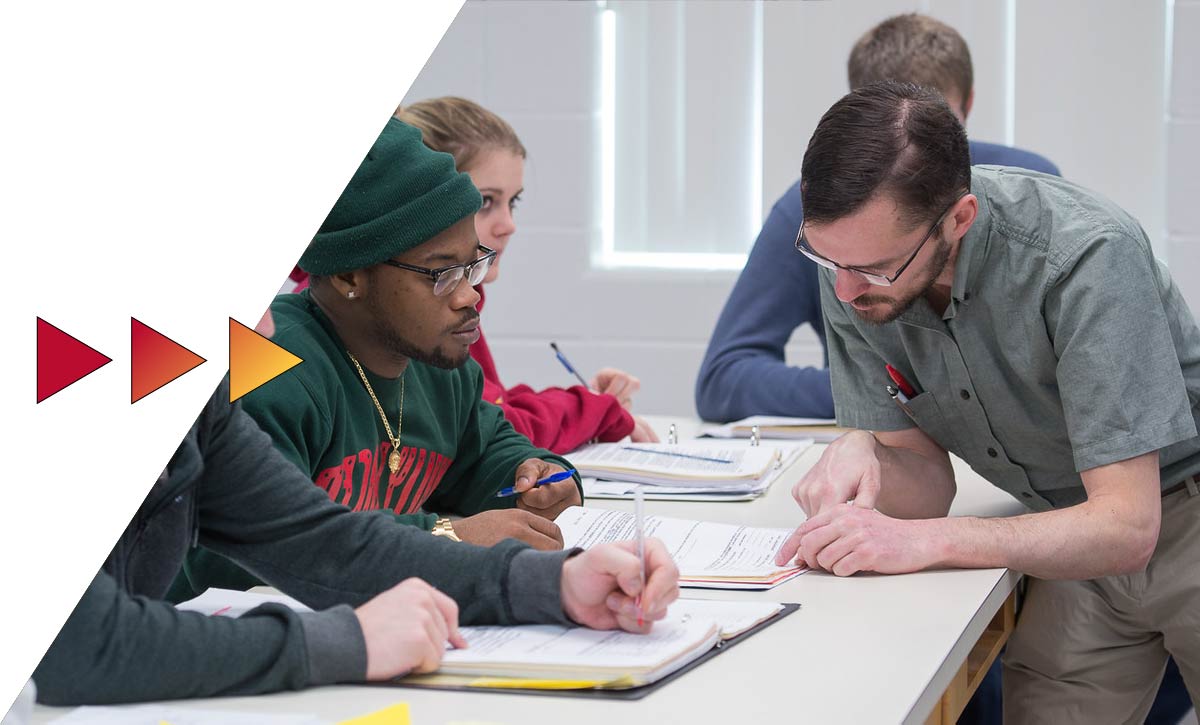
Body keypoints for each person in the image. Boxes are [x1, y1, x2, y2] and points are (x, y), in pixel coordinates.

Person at [774, 81, 1200, 723]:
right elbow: (924, 492)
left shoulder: (1084, 256)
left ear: (959, 219)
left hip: (1174, 514)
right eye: (825, 257)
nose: (844, 288)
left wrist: (925, 544)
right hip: (1068, 528)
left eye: (877, 268)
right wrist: (863, 449)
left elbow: (1127, 526)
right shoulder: (851, 266)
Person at [32, 310, 680, 705]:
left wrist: (555, 583)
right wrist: (347, 641)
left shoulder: (190, 395)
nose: (264, 327)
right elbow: (79, 643)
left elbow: (327, 542)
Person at [169, 118, 589, 600]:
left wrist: (539, 476)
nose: (470, 294)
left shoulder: (437, 363)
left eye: (474, 264)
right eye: (442, 274)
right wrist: (445, 538)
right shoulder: (271, 372)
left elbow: (489, 452)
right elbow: (239, 553)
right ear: (350, 275)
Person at [695, 12, 1058, 423]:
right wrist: (885, 393)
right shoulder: (808, 213)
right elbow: (724, 380)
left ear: (962, 218)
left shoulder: (1033, 194)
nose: (918, 159)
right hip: (891, 454)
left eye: (940, 129)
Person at [394, 97, 658, 453]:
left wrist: (588, 402)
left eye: (512, 202)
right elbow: (495, 427)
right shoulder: (406, 309)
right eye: (486, 201)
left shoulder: (462, 292)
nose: (509, 225)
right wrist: (595, 410)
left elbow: (492, 401)